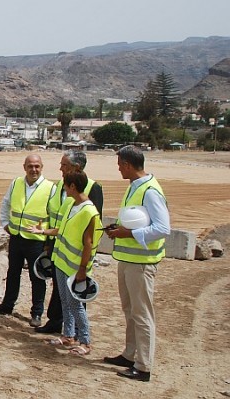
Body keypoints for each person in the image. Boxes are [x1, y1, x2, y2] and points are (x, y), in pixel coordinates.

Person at [103, 145, 170, 382]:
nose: (118, 168)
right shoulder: (135, 187)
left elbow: (163, 228)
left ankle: (143, 366)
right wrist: (121, 231)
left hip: (141, 263)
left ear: (128, 165)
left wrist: (127, 234)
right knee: (130, 311)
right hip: (129, 260)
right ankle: (130, 354)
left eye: (120, 164)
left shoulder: (150, 191)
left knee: (142, 314)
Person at [30, 170, 103, 356]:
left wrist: (82, 270)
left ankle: (85, 341)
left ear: (72, 186)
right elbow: (61, 230)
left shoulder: (89, 212)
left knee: (75, 304)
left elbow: (88, 243)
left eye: (65, 185)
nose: (63, 189)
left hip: (74, 267)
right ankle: (68, 335)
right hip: (61, 262)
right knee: (64, 300)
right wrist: (43, 232)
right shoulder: (71, 205)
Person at [0, 154, 55, 327]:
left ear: (42, 167)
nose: (34, 169)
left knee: (37, 277)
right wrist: (5, 223)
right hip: (16, 237)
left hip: (36, 241)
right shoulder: (16, 183)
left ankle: (37, 313)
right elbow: (6, 204)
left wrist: (48, 240)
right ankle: (7, 305)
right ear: (24, 167)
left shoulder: (50, 188)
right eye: (30, 166)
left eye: (37, 166)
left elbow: (54, 216)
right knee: (13, 273)